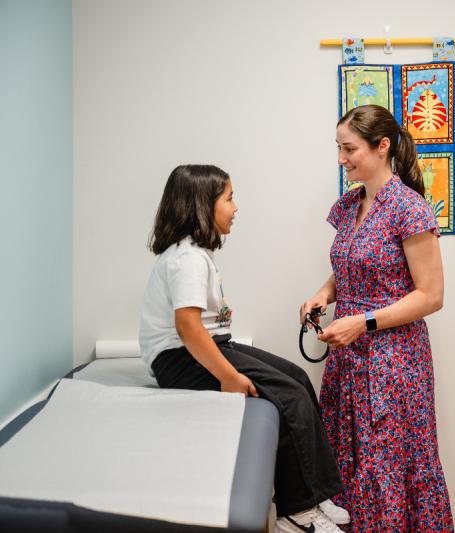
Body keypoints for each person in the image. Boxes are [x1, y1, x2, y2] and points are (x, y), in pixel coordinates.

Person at [139, 164, 349, 533]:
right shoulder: (187, 258)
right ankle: (296, 514)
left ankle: (314, 495)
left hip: (199, 348)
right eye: (229, 198)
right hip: (179, 359)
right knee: (288, 398)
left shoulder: (196, 252)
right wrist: (229, 376)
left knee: (297, 377)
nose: (236, 207)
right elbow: (187, 327)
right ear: (203, 205)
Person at [300, 105, 454, 532]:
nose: (341, 158)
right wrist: (324, 293)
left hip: (394, 365)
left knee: (387, 467)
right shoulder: (350, 206)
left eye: (349, 148)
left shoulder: (410, 208)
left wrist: (362, 322)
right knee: (348, 464)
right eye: (339, 148)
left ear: (382, 146)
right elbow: (353, 260)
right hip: (348, 360)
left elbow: (432, 295)